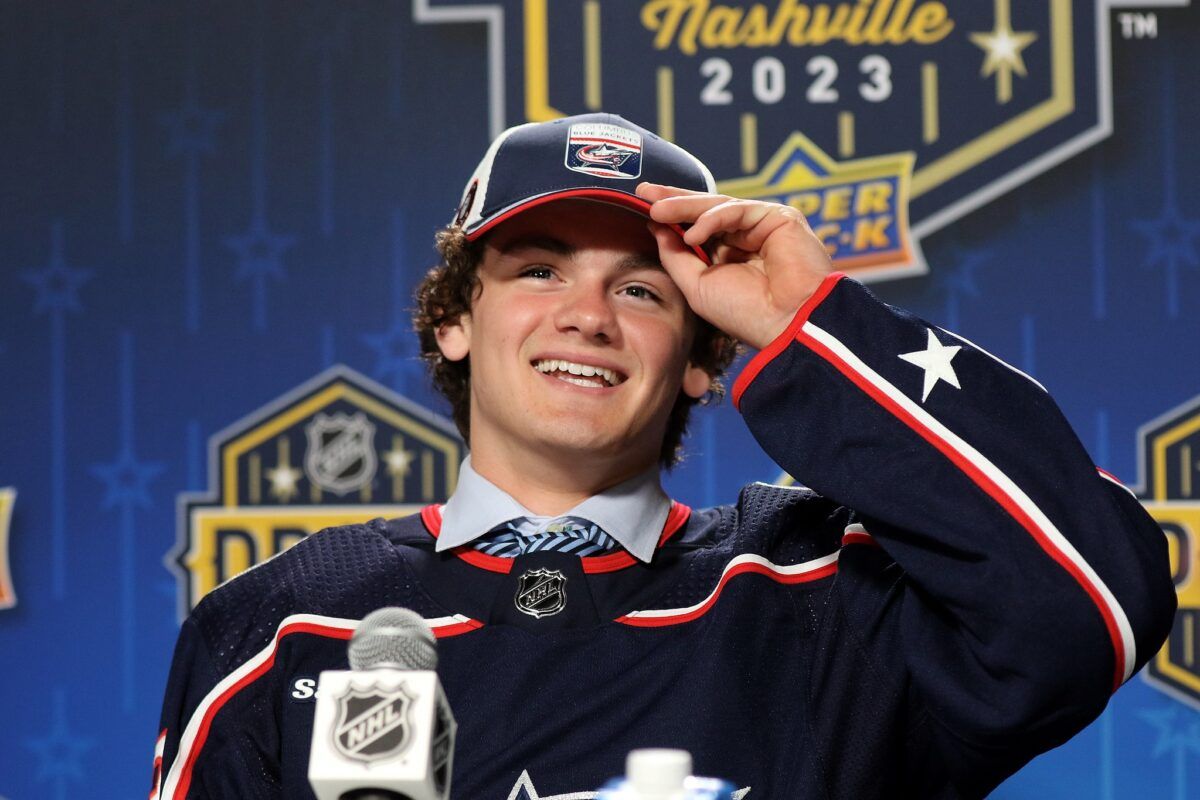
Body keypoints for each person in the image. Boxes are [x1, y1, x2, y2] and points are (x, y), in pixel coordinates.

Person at [151, 113, 1176, 799]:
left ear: (699, 359)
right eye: (539, 268)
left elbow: (1091, 600)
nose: (587, 315)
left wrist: (815, 327)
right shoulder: (280, 622)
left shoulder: (814, 588)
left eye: (642, 289)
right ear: (455, 320)